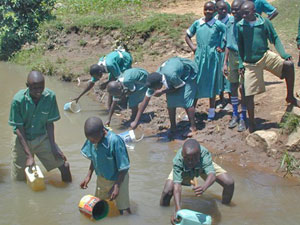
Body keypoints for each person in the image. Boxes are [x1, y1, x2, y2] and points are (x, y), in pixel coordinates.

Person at [237, 1, 300, 133]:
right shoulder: (240, 26)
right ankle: (252, 123)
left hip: (265, 56)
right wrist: (240, 62)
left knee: (288, 65)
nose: (243, 16)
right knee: (248, 92)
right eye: (242, 13)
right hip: (251, 63)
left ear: (254, 11)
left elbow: (275, 38)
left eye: (246, 13)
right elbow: (239, 46)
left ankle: (290, 97)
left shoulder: (264, 23)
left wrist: (284, 54)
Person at [8, 71, 72, 182]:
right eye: (34, 88)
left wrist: (53, 146)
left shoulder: (50, 97)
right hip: (22, 139)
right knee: (19, 179)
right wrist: (29, 155)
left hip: (42, 137)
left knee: (64, 165)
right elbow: (19, 128)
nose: (38, 91)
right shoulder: (18, 100)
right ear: (27, 86)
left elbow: (49, 123)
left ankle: (68, 191)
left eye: (41, 88)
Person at [159, 139, 234, 224]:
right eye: (187, 159)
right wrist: (178, 209)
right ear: (183, 156)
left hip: (202, 168)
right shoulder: (178, 160)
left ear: (199, 155)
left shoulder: (204, 154)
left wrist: (204, 187)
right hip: (184, 170)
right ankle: (163, 212)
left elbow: (212, 175)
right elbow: (177, 186)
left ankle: (226, 207)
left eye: (193, 159)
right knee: (167, 191)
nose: (190, 162)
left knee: (229, 183)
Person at [130, 57, 198, 138]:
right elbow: (145, 100)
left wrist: (162, 92)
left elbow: (180, 86)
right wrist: (135, 121)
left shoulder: (171, 75)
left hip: (187, 73)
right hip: (174, 74)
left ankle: (193, 128)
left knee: (186, 100)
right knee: (170, 102)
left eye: (155, 88)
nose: (154, 90)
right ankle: (173, 127)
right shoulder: (154, 79)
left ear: (159, 83)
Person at [80, 117, 131, 215]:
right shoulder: (92, 139)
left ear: (103, 131)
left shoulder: (115, 142)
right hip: (102, 179)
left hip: (119, 179)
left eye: (94, 140)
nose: (92, 142)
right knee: (98, 204)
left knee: (123, 208)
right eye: (90, 140)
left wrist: (117, 187)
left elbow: (124, 168)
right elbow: (93, 157)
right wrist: (88, 176)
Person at [185, 1, 226, 121]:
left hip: (213, 57)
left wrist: (221, 46)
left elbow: (228, 33)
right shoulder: (198, 23)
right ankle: (191, 109)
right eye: (206, 9)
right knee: (196, 81)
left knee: (212, 81)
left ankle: (212, 110)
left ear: (215, 11)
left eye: (211, 10)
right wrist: (193, 47)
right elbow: (187, 35)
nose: (208, 12)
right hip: (199, 57)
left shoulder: (217, 24)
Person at [223, 0, 247, 132]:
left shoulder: (245, 23)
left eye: (237, 9)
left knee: (243, 88)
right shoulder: (229, 22)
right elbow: (227, 43)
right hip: (232, 56)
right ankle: (235, 114)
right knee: (233, 85)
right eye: (232, 9)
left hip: (243, 57)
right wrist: (224, 63)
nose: (234, 12)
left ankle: (243, 116)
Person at [215, 0, 232, 109]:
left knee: (229, 76)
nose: (224, 11)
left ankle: (231, 101)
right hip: (217, 53)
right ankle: (221, 99)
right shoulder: (214, 20)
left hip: (228, 52)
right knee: (219, 77)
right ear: (217, 10)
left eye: (225, 8)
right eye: (221, 9)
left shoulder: (230, 20)